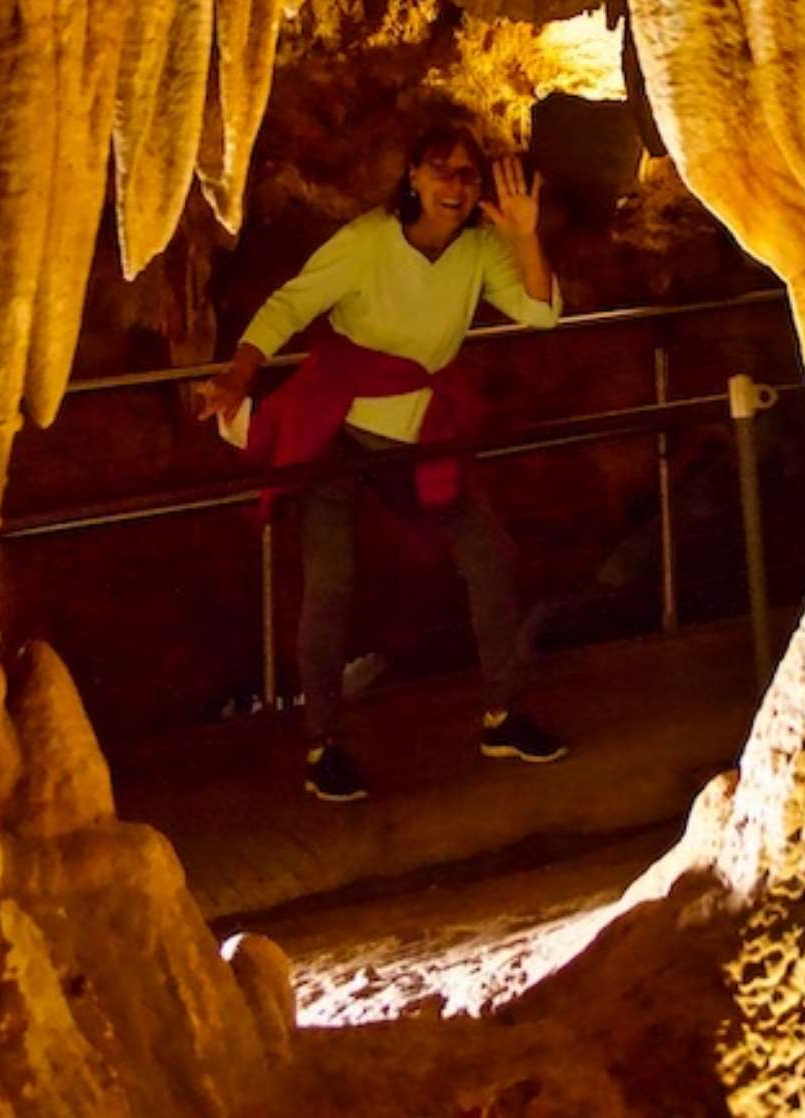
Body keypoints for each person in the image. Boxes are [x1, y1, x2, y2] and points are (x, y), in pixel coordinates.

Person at [198, 120, 568, 802]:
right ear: (413, 177)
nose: (455, 186)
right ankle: (322, 745)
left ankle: (503, 714)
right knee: (331, 581)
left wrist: (523, 235)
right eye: (440, 169)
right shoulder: (369, 240)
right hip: (337, 429)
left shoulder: (479, 250)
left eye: (467, 174)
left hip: (418, 430)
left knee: (489, 554)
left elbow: (541, 313)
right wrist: (238, 376)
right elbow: (290, 305)